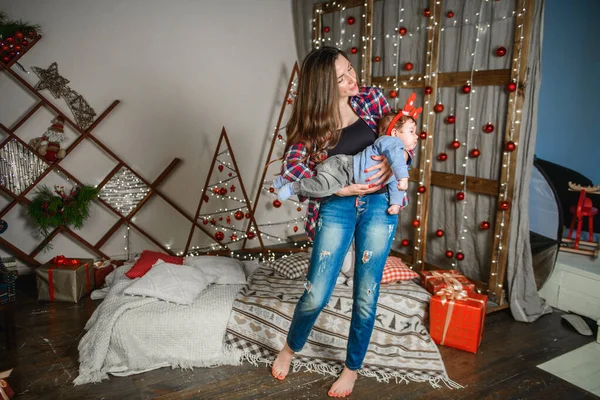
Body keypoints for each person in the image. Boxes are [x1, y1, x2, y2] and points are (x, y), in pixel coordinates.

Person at [271, 46, 411, 398]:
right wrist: (341, 187)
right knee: (317, 291)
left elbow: (404, 137)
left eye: (351, 69)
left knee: (366, 292)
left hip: (379, 205)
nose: (353, 79)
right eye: (342, 78)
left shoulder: (371, 100)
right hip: (337, 206)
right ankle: (290, 348)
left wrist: (396, 160)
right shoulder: (310, 126)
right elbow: (292, 173)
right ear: (323, 87)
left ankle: (351, 368)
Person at [272, 98, 421, 215]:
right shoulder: (389, 141)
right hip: (345, 169)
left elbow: (395, 184)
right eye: (411, 131)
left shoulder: (397, 157)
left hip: (352, 179)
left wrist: (395, 203)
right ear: (395, 133)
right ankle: (293, 187)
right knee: (323, 186)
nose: (417, 136)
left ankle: (285, 180)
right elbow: (396, 157)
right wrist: (404, 177)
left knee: (320, 179)